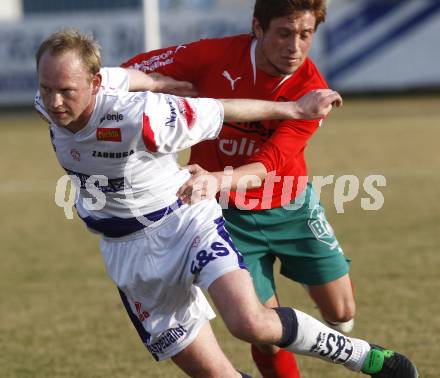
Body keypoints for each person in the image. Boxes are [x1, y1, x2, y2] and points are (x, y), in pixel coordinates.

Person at [35, 30, 418, 378]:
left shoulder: (144, 116)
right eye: (47, 88)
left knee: (250, 323)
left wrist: (293, 110)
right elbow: (122, 76)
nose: (54, 101)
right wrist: (154, 79)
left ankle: (365, 357)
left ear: (94, 84)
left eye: (66, 90)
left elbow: (221, 109)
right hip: (127, 252)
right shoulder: (50, 98)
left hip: (185, 224)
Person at [122, 0, 356, 376]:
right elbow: (131, 70)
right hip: (225, 215)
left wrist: (215, 178)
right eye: (284, 33)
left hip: (291, 206)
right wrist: (150, 85)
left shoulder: (312, 92)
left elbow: (267, 166)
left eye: (305, 34)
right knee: (262, 332)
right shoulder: (214, 55)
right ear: (258, 28)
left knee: (342, 314)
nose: (295, 46)